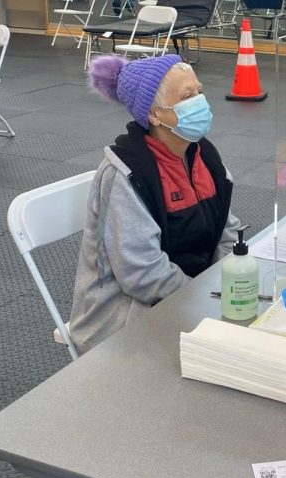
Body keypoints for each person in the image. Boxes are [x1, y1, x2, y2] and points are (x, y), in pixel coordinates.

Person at [69, 54, 241, 354]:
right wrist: (206, 300)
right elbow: (143, 274)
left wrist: (225, 286)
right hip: (123, 320)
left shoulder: (206, 157)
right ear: (154, 115)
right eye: (187, 96)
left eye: (199, 91)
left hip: (190, 300)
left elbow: (228, 232)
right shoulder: (124, 173)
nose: (200, 102)